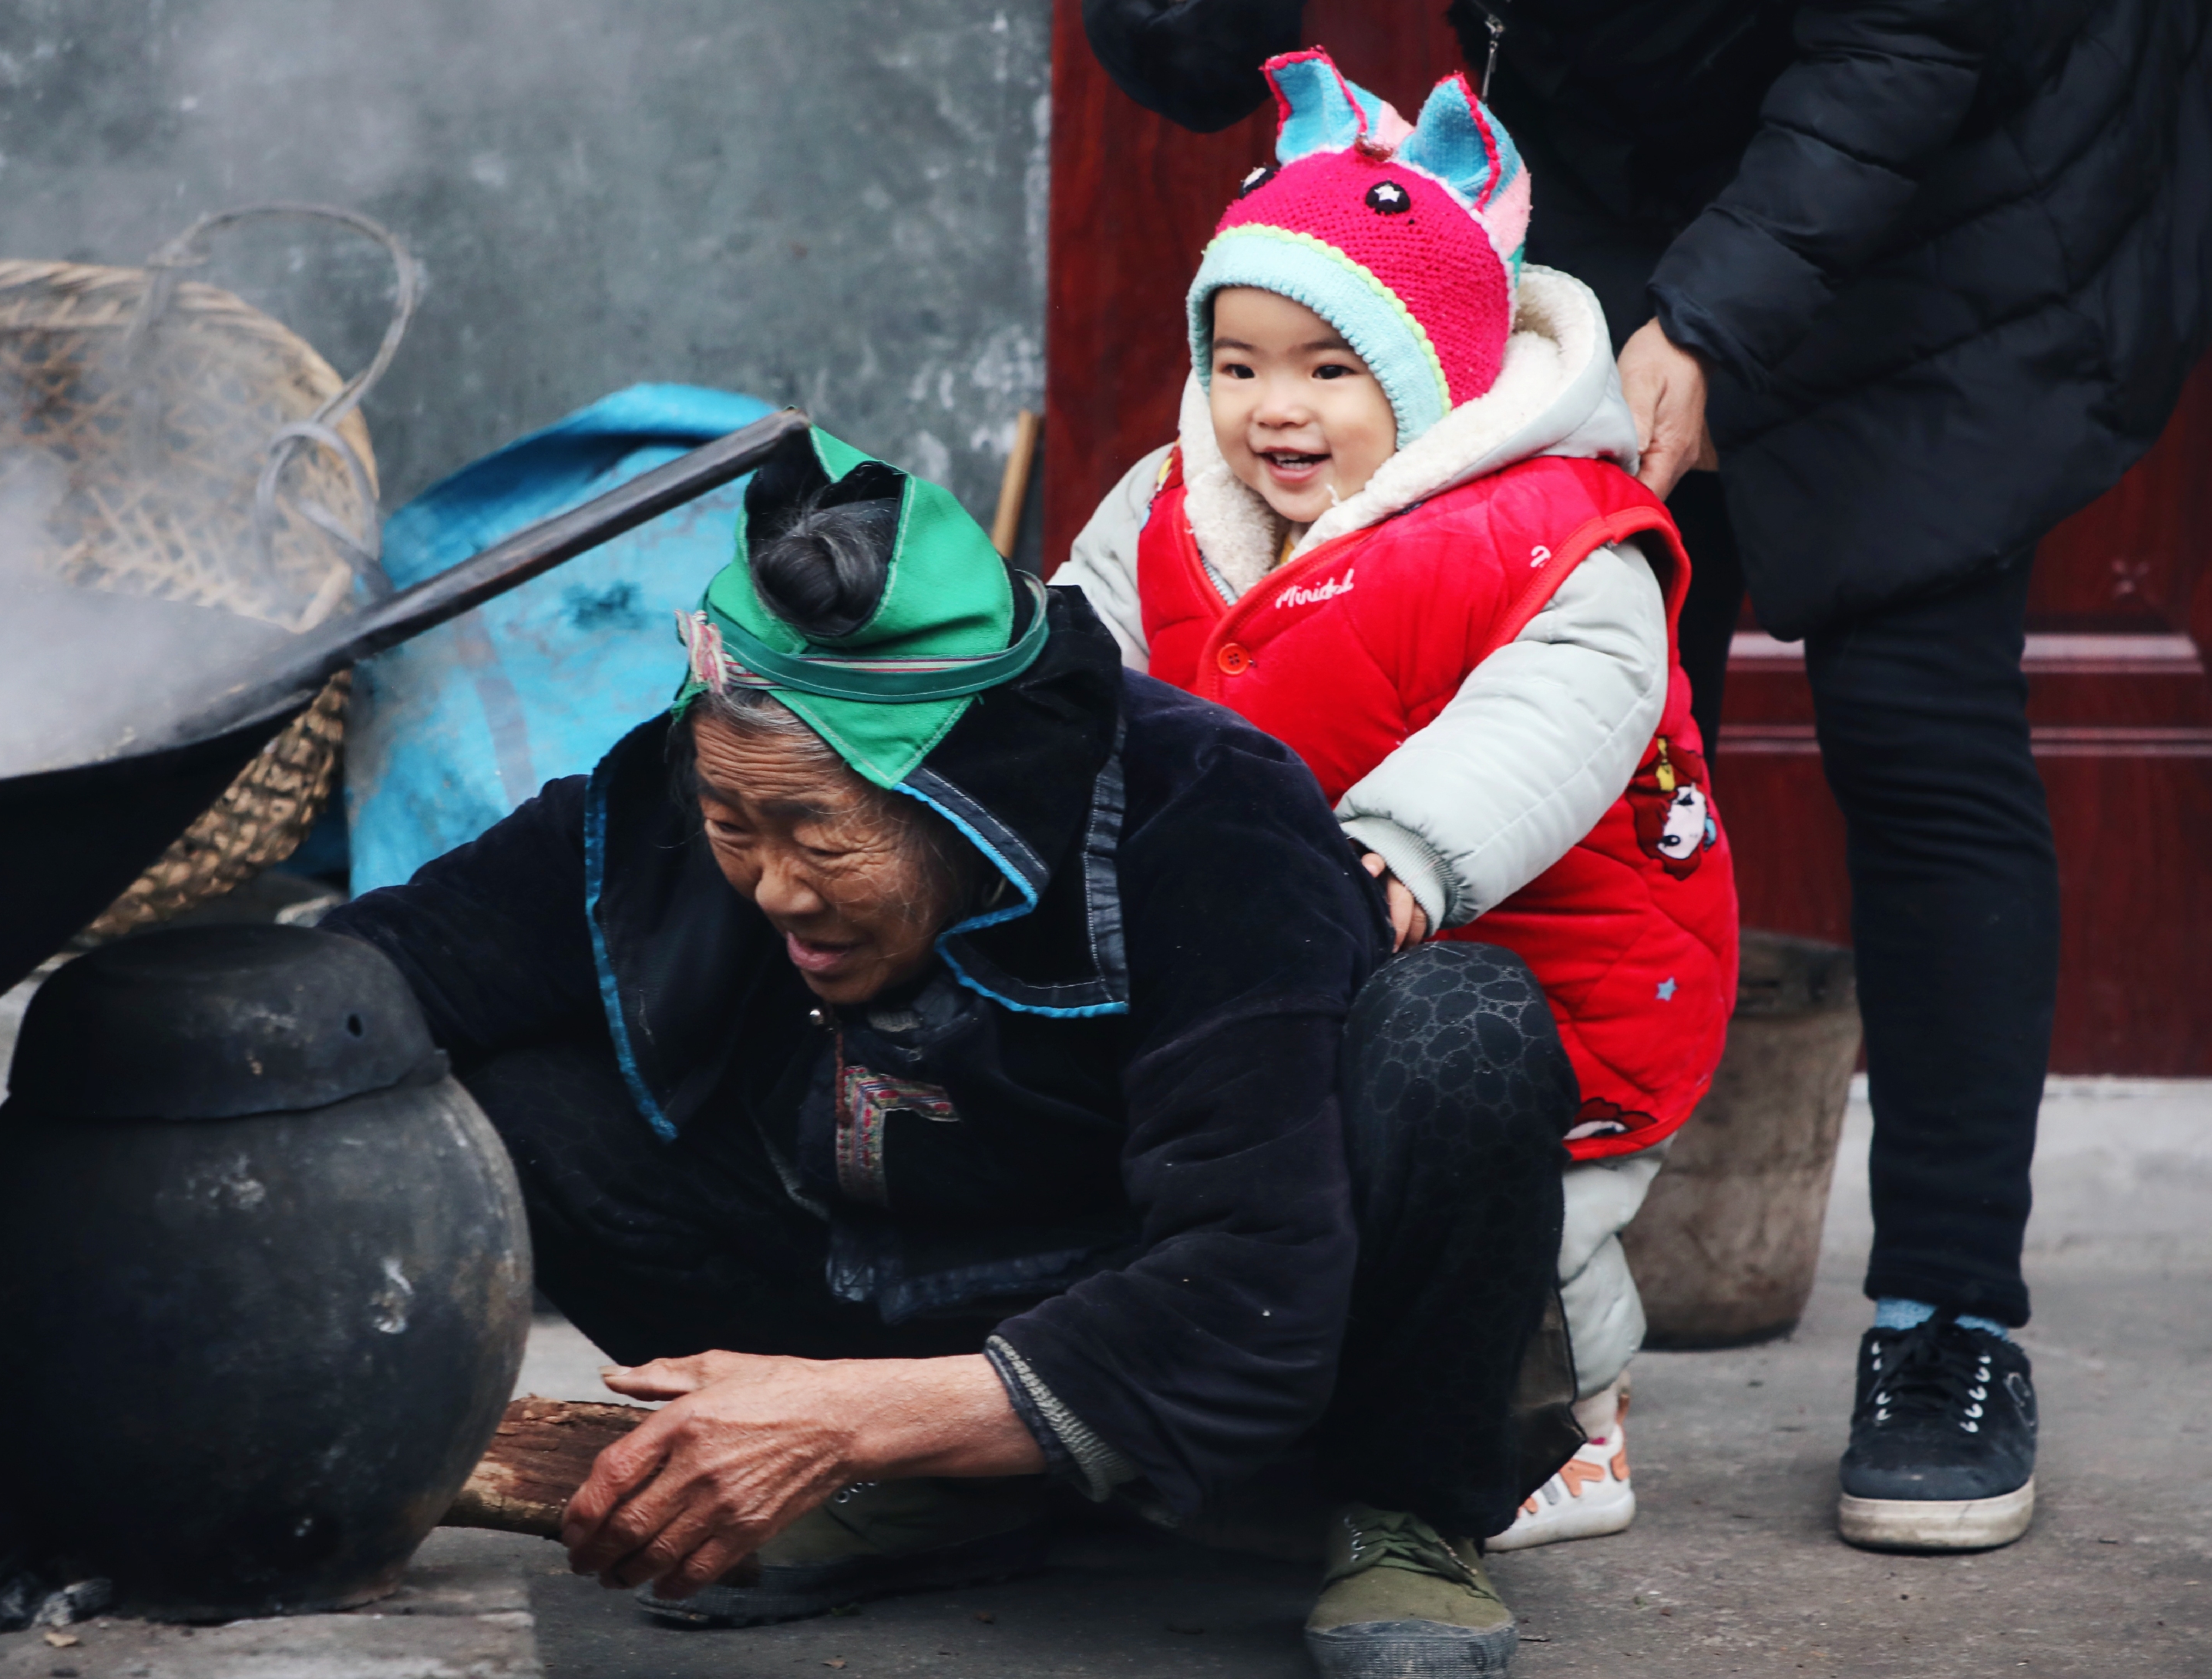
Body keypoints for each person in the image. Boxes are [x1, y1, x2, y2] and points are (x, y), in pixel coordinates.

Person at [1082, 0, 2212, 1553]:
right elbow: (1190, 54)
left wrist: (1707, 321)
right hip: (1622, 153)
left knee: (1916, 718)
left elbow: (1904, 46)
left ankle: (1945, 1315)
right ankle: (1546, 1319)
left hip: (1957, 183)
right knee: (1590, 744)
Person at [327, 423, 1582, 1677]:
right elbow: (382, 974)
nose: (773, 889)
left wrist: (845, 1421)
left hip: (1200, 1328)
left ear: (963, 799)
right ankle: (942, 1490)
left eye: (820, 838)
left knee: (1461, 1030)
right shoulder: (691, 790)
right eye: (732, 826)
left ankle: (1404, 1513)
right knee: (484, 1090)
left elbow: (1255, 1284)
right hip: (884, 1283)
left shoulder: (1210, 818)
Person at [1054, 50, 1735, 1553]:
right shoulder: (1169, 512)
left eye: (1326, 369)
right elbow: (1081, 659)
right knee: (1274, 1169)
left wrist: (1400, 856)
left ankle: (1576, 1420)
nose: (1270, 410)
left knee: (1525, 1209)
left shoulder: (1560, 535)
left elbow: (1544, 720)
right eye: (1238, 365)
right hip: (1284, 947)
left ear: (1430, 374)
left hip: (1544, 957)